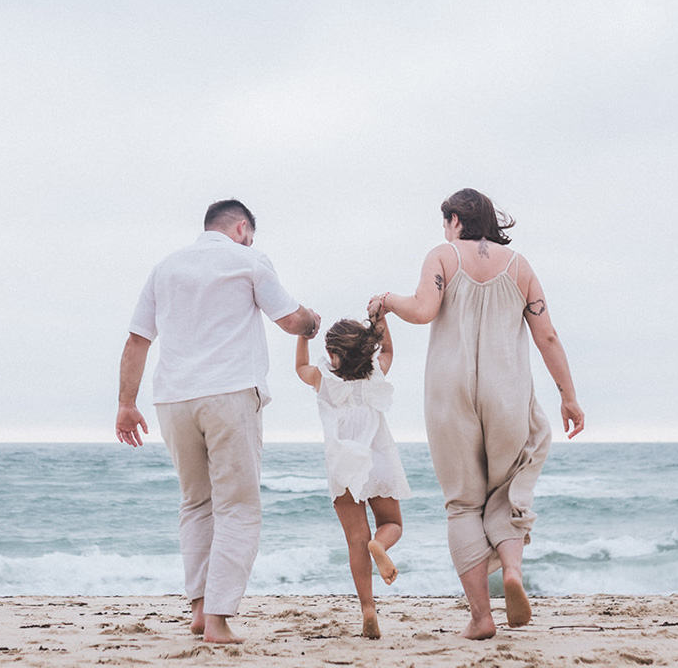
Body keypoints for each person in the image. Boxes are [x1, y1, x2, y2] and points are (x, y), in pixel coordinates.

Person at [369, 188, 584, 640]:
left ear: (455, 220)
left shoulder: (443, 255)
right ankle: (512, 570)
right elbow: (547, 336)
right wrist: (568, 397)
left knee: (463, 503)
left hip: (450, 393)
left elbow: (423, 310)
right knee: (506, 490)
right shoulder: (519, 266)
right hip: (508, 391)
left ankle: (482, 617)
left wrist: (386, 300)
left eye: (445, 222)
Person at [116, 199, 321, 645]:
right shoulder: (248, 260)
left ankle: (198, 610)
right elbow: (290, 318)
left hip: (173, 399)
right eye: (250, 235)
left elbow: (137, 339)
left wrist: (126, 403)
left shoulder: (165, 268)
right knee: (238, 507)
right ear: (241, 227)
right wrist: (312, 323)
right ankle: (218, 622)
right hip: (229, 391)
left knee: (196, 503)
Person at [293, 311, 410, 640]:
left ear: (333, 354)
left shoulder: (323, 379)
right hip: (378, 461)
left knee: (355, 541)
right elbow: (389, 350)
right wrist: (381, 316)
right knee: (392, 523)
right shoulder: (376, 374)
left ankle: (368, 609)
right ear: (366, 348)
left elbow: (300, 367)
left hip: (343, 466)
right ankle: (380, 544)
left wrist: (303, 334)